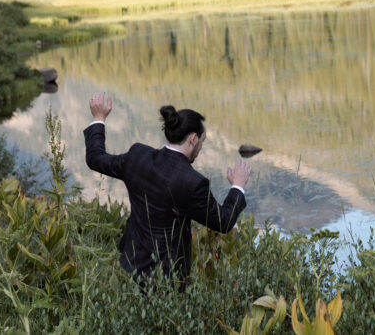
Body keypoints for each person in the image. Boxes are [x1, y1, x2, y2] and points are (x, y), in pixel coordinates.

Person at [84, 92, 251, 283]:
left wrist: (99, 118)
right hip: (167, 280)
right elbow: (223, 221)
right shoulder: (194, 183)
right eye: (202, 142)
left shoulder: (137, 156)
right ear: (192, 139)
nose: (201, 147)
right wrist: (237, 186)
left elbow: (95, 159)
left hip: (130, 265)